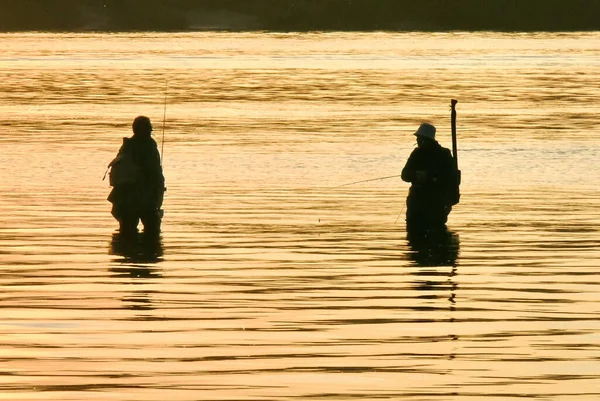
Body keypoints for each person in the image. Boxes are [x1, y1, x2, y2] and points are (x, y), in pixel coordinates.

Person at [107, 116, 165, 235]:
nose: (149, 130)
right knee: (151, 233)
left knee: (128, 232)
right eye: (147, 128)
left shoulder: (127, 146)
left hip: (129, 197)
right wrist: (158, 189)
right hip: (140, 197)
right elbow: (155, 173)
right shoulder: (149, 147)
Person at [401, 123, 458, 231]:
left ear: (427, 139)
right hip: (416, 204)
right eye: (417, 138)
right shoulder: (416, 154)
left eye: (420, 138)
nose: (418, 141)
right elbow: (404, 175)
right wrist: (417, 176)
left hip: (436, 205)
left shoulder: (443, 155)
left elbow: (450, 178)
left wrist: (430, 176)